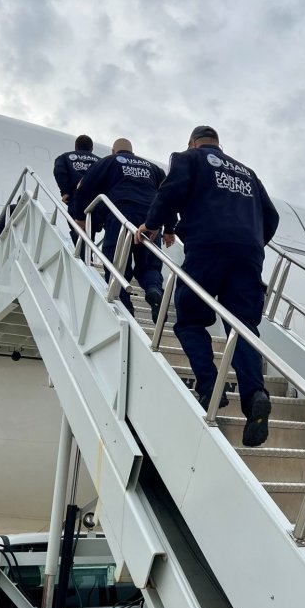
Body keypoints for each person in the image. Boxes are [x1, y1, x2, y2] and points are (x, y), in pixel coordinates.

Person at [134, 125, 279, 448]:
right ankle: (254, 393)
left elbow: (170, 192)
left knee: (189, 320)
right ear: (219, 144)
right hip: (249, 255)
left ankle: (210, 385)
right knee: (241, 326)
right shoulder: (248, 173)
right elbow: (271, 216)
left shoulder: (189, 159)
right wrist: (252, 242)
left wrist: (153, 225)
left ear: (193, 142)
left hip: (208, 247)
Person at [72, 138, 165, 320]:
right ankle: (154, 289)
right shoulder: (153, 168)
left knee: (117, 266)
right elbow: (167, 196)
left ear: (114, 150)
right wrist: (168, 228)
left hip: (120, 217)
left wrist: (80, 217)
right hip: (150, 221)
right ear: (132, 150)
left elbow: (85, 187)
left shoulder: (108, 161)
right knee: (149, 266)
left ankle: (125, 309)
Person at [53, 134, 100, 206]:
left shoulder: (64, 157)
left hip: (75, 197)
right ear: (91, 148)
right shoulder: (101, 161)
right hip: (95, 199)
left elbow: (59, 171)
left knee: (76, 217)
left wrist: (65, 191)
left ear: (76, 147)